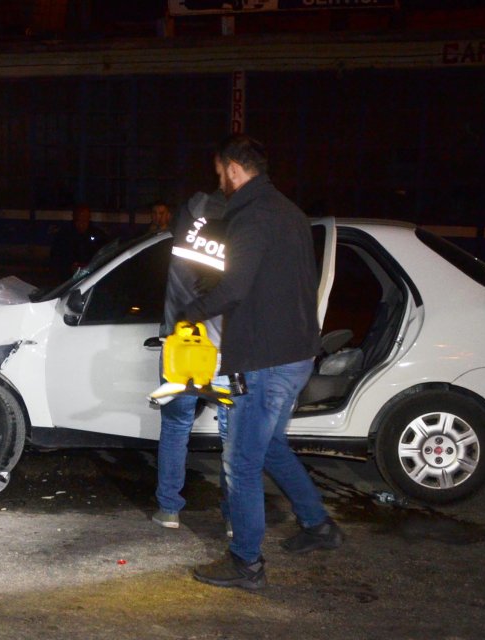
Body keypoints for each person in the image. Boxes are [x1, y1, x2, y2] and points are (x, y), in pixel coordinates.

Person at [175, 134, 342, 591]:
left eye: (219, 174)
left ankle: (246, 563)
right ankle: (318, 525)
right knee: (269, 447)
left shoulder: (250, 217)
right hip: (296, 353)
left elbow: (234, 288)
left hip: (265, 359)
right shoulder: (290, 212)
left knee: (242, 462)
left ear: (231, 168)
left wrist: (187, 314)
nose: (220, 182)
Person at [152, 191, 230, 531]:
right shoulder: (244, 228)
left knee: (175, 428)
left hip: (181, 348)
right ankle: (234, 518)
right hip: (226, 352)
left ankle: (169, 509)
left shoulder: (187, 219)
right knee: (234, 438)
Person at [50, 204, 111, 280]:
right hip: (69, 278)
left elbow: (105, 254)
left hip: (92, 275)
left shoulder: (97, 234)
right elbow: (56, 256)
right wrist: (69, 266)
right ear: (74, 218)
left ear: (89, 218)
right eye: (79, 219)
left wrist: (91, 265)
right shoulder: (64, 235)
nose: (82, 224)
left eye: (85, 220)